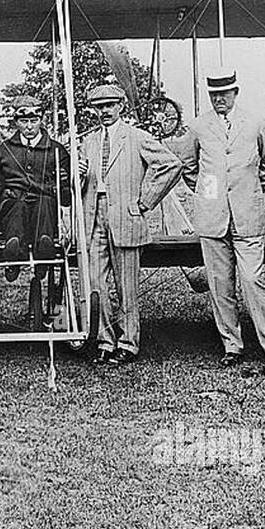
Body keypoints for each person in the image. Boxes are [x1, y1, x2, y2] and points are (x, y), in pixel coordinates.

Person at [176, 73, 265, 368]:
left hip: (247, 218)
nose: (219, 99)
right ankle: (232, 345)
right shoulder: (198, 126)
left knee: (253, 281)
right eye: (214, 94)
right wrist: (209, 194)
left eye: (224, 93)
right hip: (213, 221)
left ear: (236, 92)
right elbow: (189, 167)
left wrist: (248, 190)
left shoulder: (255, 122)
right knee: (219, 285)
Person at [77, 84, 183, 364]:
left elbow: (171, 165)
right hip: (93, 218)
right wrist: (79, 175)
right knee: (95, 283)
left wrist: (146, 201)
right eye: (99, 107)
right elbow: (78, 181)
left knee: (127, 286)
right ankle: (104, 341)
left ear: (121, 106)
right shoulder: (88, 141)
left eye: (110, 105)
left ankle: (128, 342)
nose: (104, 112)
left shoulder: (136, 137)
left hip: (126, 218)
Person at [0, 95, 71, 282]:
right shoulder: (5, 150)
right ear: (15, 122)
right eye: (24, 121)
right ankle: (13, 253)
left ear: (41, 120)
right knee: (15, 206)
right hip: (13, 202)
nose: (29, 126)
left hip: (45, 203)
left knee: (45, 204)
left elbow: (65, 185)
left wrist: (63, 191)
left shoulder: (56, 150)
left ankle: (44, 251)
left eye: (34, 121)